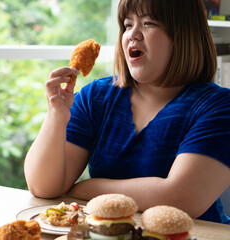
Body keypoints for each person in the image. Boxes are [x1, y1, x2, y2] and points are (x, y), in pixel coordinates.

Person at [24, 0, 230, 224]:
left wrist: (86, 188)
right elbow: (42, 187)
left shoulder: (219, 106)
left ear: (184, 34)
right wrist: (56, 116)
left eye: (148, 23)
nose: (133, 34)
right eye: (127, 24)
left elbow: (183, 197)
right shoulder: (96, 97)